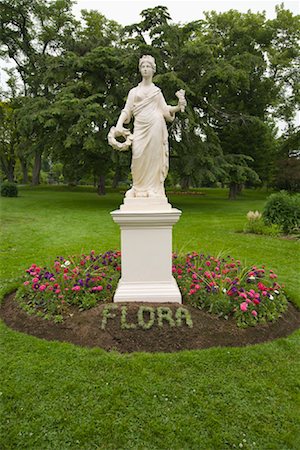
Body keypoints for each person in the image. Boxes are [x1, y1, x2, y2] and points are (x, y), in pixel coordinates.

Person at [113, 55, 186, 198]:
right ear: (140, 70)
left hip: (155, 125)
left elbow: (165, 111)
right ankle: (137, 188)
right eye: (143, 67)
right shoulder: (134, 92)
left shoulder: (156, 92)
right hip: (140, 127)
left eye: (148, 67)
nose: (145, 69)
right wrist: (119, 124)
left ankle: (153, 189)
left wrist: (178, 106)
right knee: (138, 155)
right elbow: (127, 110)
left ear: (153, 70)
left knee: (153, 157)